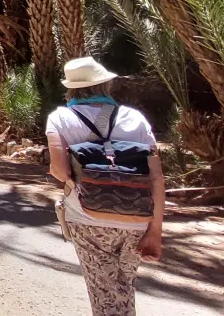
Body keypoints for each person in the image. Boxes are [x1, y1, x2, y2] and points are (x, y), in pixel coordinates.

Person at [45, 57, 165, 316]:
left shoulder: (60, 118)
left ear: (71, 88)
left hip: (87, 217)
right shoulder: (136, 119)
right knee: (122, 287)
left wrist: (85, 182)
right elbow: (156, 177)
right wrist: (155, 229)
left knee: (105, 293)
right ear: (106, 85)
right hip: (136, 219)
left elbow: (59, 170)